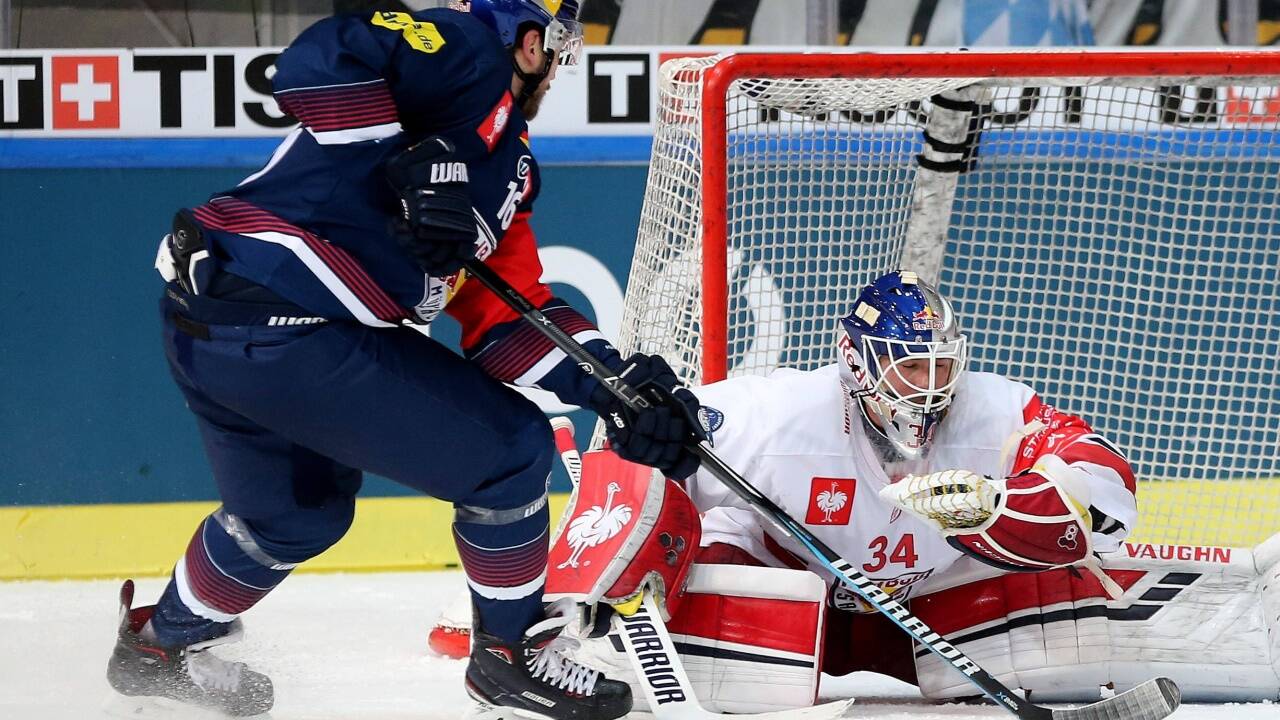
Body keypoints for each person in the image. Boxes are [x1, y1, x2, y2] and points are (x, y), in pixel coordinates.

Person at [106, 3, 705, 719]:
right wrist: (422, 165)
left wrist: (614, 386)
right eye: (560, 48)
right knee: (510, 451)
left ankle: (159, 646)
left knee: (293, 518)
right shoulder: (462, 52)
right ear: (531, 41)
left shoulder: (510, 166)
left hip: (216, 329)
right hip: (284, 322)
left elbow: (506, 322)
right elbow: (311, 64)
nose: (558, 68)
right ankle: (508, 658)